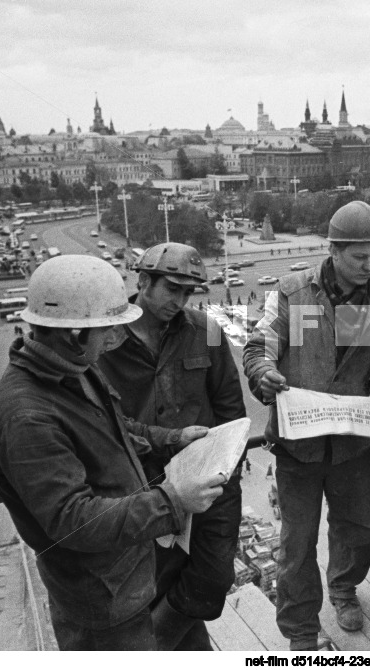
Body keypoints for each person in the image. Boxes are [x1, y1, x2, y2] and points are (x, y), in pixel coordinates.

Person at [0, 255, 224, 650]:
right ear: (74, 332)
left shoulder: (74, 369)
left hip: (125, 576)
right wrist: (173, 502)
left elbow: (116, 428)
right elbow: (72, 519)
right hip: (99, 602)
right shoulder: (25, 417)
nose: (115, 339)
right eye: (107, 329)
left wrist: (172, 438)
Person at [243, 201, 370, 651]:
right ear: (333, 250)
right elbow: (259, 346)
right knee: (297, 545)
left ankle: (345, 589)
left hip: (352, 447)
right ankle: (301, 631)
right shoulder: (292, 294)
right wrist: (262, 375)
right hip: (298, 449)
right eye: (359, 258)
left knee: (356, 529)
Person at [97, 243, 247, 650]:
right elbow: (105, 423)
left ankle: (158, 644)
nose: (180, 302)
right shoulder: (105, 341)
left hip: (209, 483)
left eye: (188, 293)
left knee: (215, 575)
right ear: (143, 282)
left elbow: (231, 411)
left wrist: (227, 470)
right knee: (156, 584)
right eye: (172, 290)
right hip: (143, 490)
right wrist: (170, 440)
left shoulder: (206, 331)